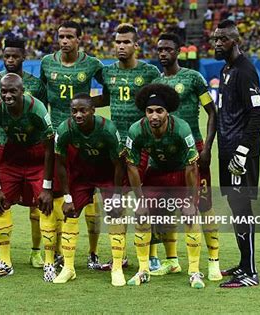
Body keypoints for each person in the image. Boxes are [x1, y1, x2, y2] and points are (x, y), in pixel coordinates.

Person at [153, 33, 221, 281]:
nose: (163, 54)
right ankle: (172, 261)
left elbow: (212, 113)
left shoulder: (193, 78)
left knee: (203, 206)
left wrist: (207, 148)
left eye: (168, 49)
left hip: (194, 151)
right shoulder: (156, 81)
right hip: (166, 155)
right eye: (160, 50)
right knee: (167, 209)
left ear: (178, 51)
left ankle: (213, 261)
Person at [125, 84, 205, 289]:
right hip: (157, 173)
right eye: (150, 111)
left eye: (159, 111)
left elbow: (192, 167)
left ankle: (195, 272)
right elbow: (132, 167)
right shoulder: (136, 130)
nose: (154, 116)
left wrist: (191, 200)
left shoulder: (182, 128)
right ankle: (143, 270)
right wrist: (140, 200)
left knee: (190, 215)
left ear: (167, 112)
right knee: (141, 215)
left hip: (181, 173)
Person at [40, 21, 104, 270]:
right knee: (57, 197)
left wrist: (87, 103)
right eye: (61, 36)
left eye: (69, 37)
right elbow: (43, 96)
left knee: (90, 198)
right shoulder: (47, 62)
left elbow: (109, 93)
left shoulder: (92, 64)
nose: (64, 41)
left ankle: (93, 253)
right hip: (57, 139)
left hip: (84, 140)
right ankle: (56, 252)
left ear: (80, 39)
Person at [0, 37, 47, 269]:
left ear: (23, 57)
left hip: (33, 148)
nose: (10, 59)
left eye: (15, 56)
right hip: (3, 149)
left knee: (37, 206)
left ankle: (37, 252)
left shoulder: (36, 85)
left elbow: (41, 118)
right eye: (6, 55)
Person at [99, 23, 160, 271]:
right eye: (118, 42)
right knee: (115, 204)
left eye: (126, 42)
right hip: (115, 147)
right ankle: (119, 256)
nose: (121, 46)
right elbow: (105, 98)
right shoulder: (107, 72)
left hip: (144, 146)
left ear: (137, 46)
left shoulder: (149, 73)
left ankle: (152, 255)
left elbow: (160, 108)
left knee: (147, 202)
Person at [212, 20, 260, 288]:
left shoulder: (245, 71)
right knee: (236, 209)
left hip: (240, 156)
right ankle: (244, 264)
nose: (217, 43)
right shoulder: (227, 69)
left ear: (235, 41)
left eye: (222, 39)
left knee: (243, 209)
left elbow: (259, 113)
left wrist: (242, 152)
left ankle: (251, 273)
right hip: (227, 152)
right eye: (215, 39)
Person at [0, 73, 54, 280]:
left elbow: (50, 148)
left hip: (37, 156)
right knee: (0, 204)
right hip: (12, 157)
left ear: (22, 91)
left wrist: (48, 186)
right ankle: (5, 262)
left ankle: (49, 262)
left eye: (12, 91)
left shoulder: (37, 109)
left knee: (46, 206)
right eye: (3, 91)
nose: (7, 95)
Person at [52, 93, 125, 286]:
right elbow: (59, 164)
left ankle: (117, 267)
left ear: (92, 110)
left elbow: (119, 164)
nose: (78, 115)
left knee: (115, 214)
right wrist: (67, 196)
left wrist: (117, 195)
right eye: (74, 111)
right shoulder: (65, 129)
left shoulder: (108, 129)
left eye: (83, 110)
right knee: (70, 212)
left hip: (108, 174)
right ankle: (69, 268)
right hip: (81, 175)